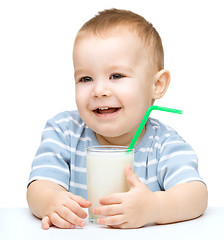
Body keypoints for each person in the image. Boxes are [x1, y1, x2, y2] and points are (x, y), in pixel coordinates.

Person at [27, 8, 208, 230]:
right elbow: (39, 184)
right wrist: (49, 200)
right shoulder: (64, 132)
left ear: (157, 85)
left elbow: (196, 195)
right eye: (85, 78)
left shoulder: (164, 143)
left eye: (116, 76)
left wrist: (155, 207)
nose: (99, 90)